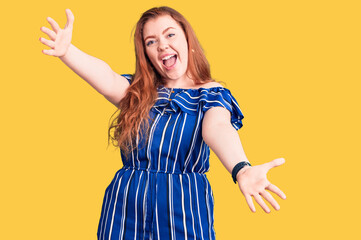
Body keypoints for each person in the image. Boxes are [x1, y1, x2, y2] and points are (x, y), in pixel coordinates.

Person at [39, 6, 286, 240]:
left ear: (187, 39)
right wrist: (68, 51)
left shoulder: (211, 94)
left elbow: (218, 128)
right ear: (146, 53)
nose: (162, 45)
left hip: (183, 206)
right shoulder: (138, 92)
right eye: (151, 41)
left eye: (170, 34)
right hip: (124, 205)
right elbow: (107, 77)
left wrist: (241, 167)